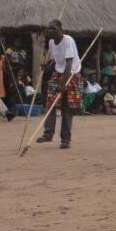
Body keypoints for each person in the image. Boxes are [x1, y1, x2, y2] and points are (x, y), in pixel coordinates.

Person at [36, 20, 82, 148]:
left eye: (53, 28)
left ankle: (65, 139)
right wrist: (47, 65)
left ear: (60, 29)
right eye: (49, 28)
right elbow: (54, 59)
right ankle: (48, 133)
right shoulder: (51, 42)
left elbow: (68, 63)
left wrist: (63, 84)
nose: (50, 31)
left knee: (67, 109)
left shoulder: (68, 41)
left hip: (72, 74)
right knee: (51, 103)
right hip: (59, 73)